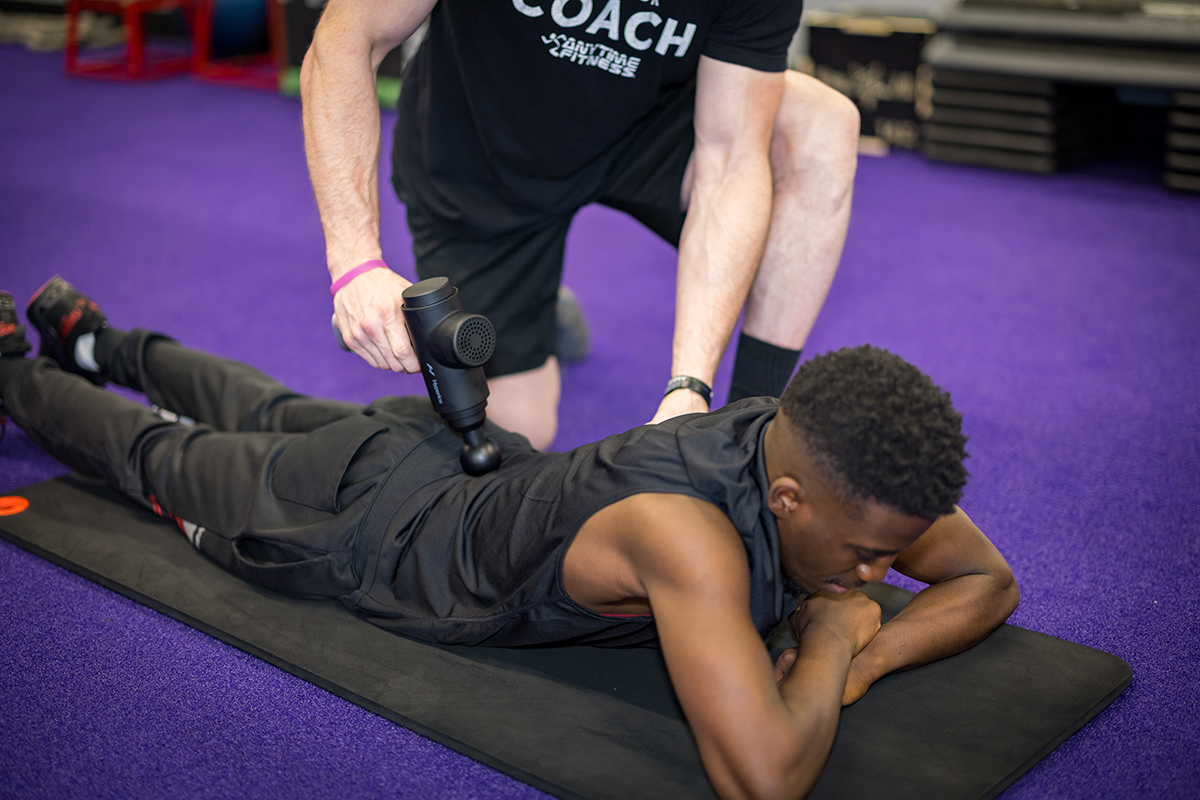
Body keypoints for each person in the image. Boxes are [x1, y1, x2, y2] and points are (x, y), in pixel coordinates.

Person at [0, 280, 1019, 800]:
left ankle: (97, 337)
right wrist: (834, 639)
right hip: (354, 534)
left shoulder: (827, 455)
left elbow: (987, 578)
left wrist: (869, 651)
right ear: (791, 497)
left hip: (443, 450)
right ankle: (20, 368)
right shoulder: (687, 534)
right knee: (153, 456)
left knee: (254, 401)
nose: (880, 575)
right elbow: (762, 775)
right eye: (869, 557)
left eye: (888, 558)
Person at [303, 0, 863, 449]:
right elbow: (347, 39)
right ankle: (540, 310)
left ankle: (751, 430)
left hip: (645, 122)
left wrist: (690, 388)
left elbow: (730, 161)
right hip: (481, 152)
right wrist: (356, 265)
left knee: (817, 127)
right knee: (516, 435)